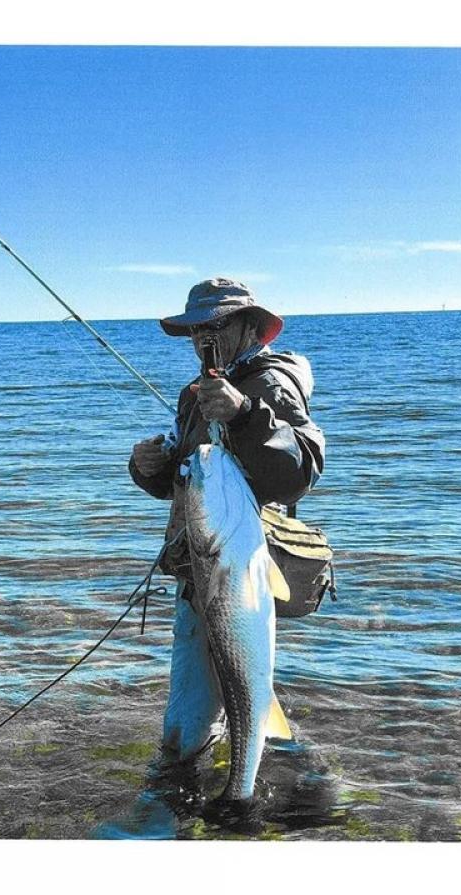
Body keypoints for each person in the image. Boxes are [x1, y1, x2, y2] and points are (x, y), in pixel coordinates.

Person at [128, 276, 325, 763]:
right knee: (224, 694)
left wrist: (244, 414)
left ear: (250, 327)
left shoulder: (269, 384)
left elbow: (299, 471)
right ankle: (273, 775)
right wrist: (149, 467)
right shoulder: (195, 392)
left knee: (198, 709)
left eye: (215, 326)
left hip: (240, 567)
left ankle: (194, 787)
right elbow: (190, 480)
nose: (203, 338)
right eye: (196, 329)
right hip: (201, 566)